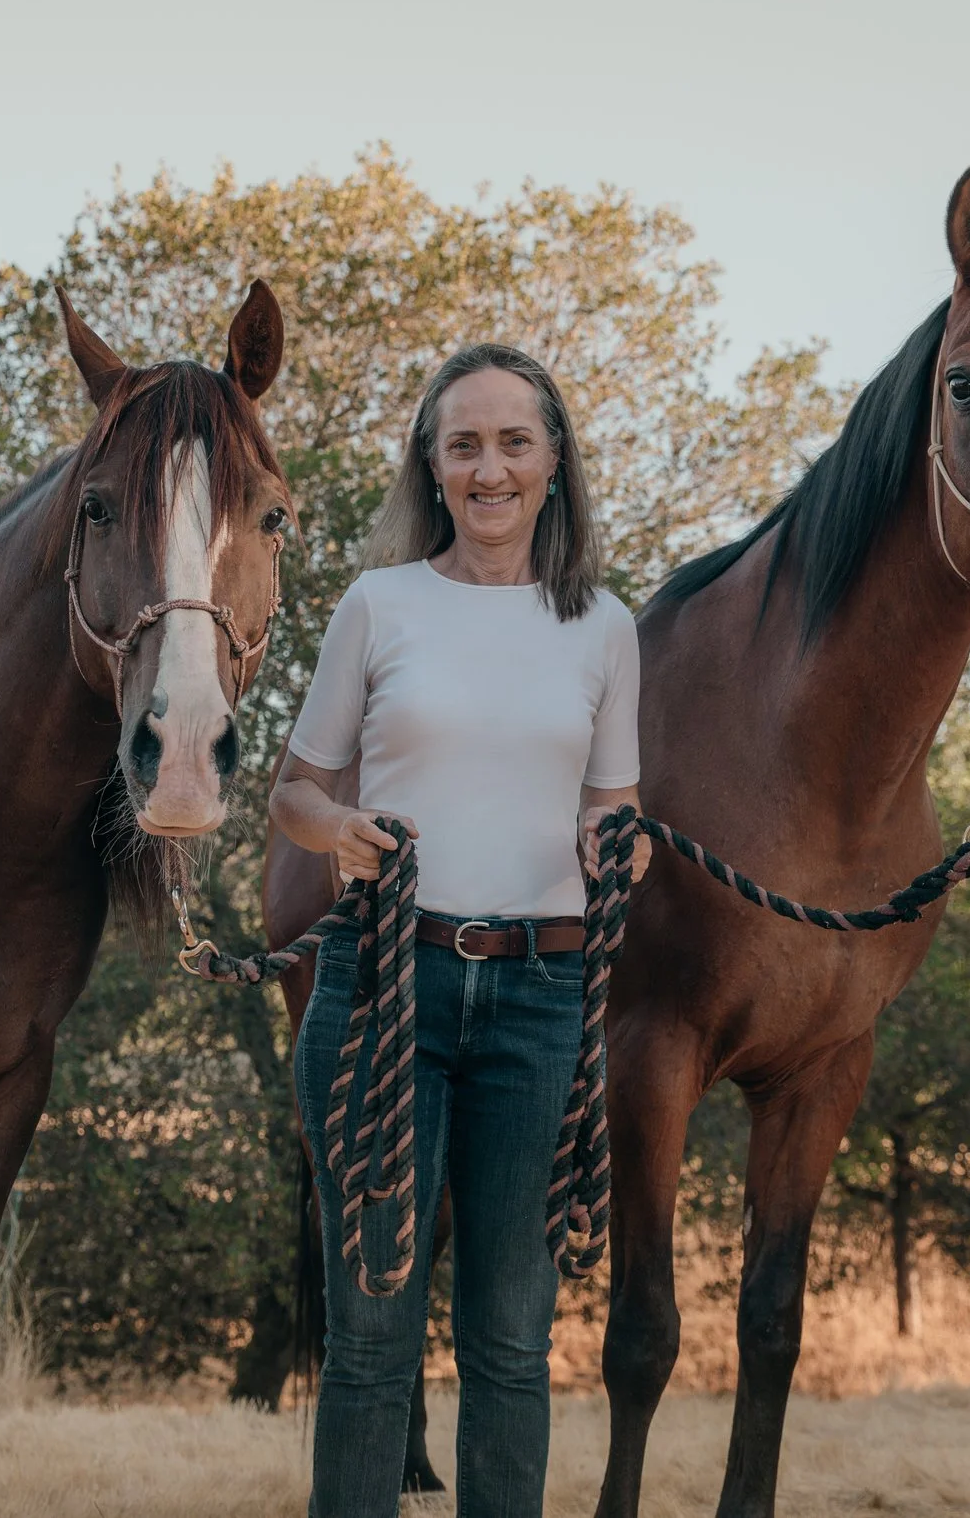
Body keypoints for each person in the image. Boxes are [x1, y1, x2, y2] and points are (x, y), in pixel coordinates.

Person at [272, 342, 650, 1517]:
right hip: (384, 986)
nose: (489, 467)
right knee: (373, 1340)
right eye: (464, 444)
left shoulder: (603, 627)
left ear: (553, 462)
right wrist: (338, 829)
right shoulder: (379, 605)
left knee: (510, 1342)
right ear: (433, 467)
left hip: (540, 1000)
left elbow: (611, 803)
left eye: (513, 441)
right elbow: (292, 791)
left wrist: (612, 843)